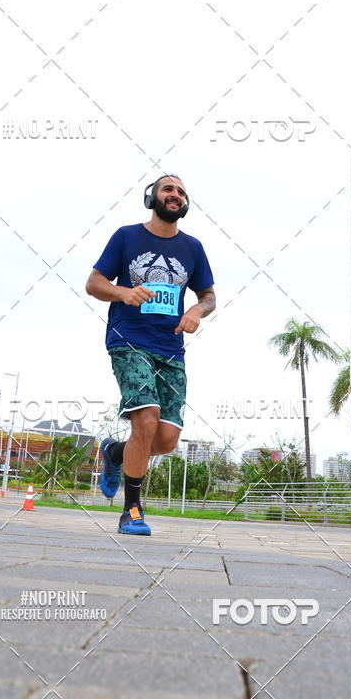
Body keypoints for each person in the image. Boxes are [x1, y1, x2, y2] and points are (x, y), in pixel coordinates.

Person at [85, 174, 216, 535]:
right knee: (146, 419)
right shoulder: (127, 236)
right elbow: (94, 283)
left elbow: (209, 296)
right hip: (128, 340)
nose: (176, 195)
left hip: (171, 350)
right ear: (152, 198)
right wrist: (123, 293)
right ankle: (132, 510)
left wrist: (196, 312)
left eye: (181, 192)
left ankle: (114, 453)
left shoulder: (193, 248)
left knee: (166, 439)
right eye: (168, 189)